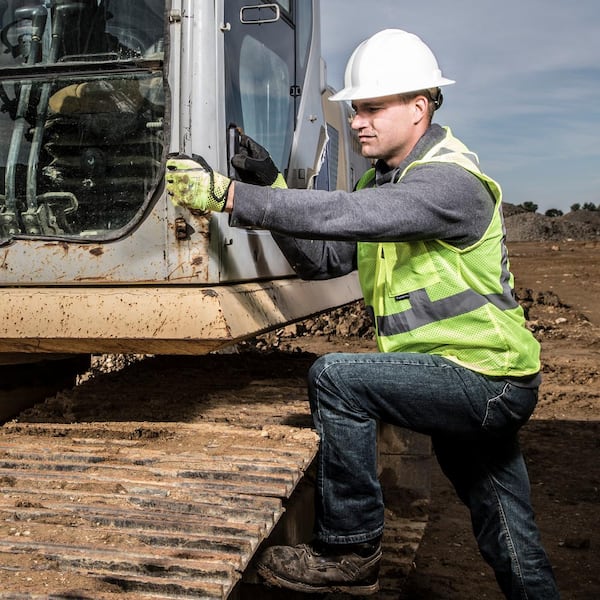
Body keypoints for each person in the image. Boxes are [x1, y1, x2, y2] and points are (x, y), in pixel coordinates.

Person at [165, 28, 559, 600]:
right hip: (466, 377)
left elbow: (346, 212)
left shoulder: (449, 183)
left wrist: (230, 196)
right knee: (506, 531)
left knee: (338, 379)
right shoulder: (388, 182)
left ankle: (351, 548)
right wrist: (270, 186)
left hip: (483, 378)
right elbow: (324, 260)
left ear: (419, 109)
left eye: (373, 108)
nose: (356, 122)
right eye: (355, 110)